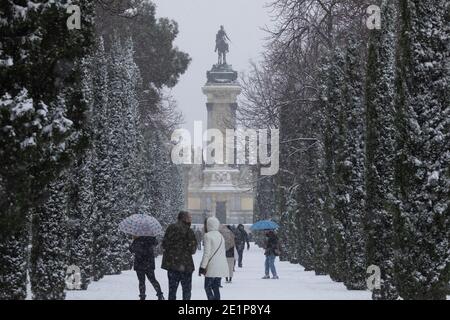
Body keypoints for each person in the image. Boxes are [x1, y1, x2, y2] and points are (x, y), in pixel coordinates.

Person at [161, 211, 198, 300]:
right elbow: (193, 250)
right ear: (184, 218)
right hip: (186, 265)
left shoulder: (170, 228)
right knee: (186, 291)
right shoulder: (189, 231)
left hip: (172, 264)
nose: (191, 219)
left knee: (172, 291)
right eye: (189, 217)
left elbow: (164, 244)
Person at [199, 217, 228, 300]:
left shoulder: (207, 236)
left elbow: (207, 253)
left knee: (207, 287)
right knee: (216, 287)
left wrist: (202, 266)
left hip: (212, 266)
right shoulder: (221, 236)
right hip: (221, 266)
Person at [129, 236, 165, 300]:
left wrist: (133, 241)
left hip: (139, 264)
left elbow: (131, 250)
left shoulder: (137, 239)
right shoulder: (150, 238)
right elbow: (156, 243)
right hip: (149, 264)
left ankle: (142, 296)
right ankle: (160, 294)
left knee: (141, 281)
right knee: (153, 280)